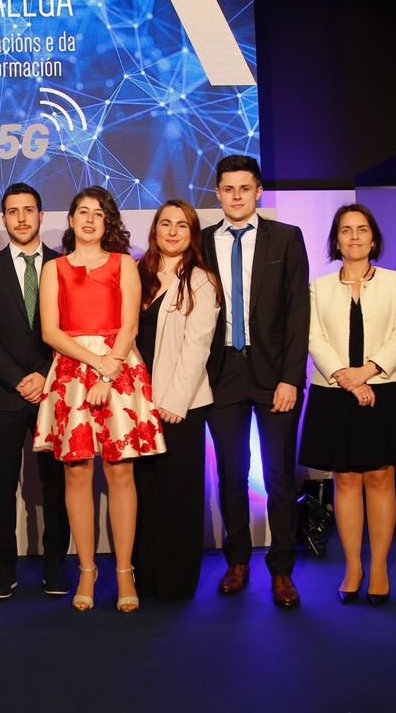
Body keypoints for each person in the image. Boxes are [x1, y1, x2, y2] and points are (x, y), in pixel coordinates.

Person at [32, 185, 166, 612]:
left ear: (108, 223)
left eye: (98, 213)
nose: (90, 219)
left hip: (120, 367)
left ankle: (125, 571)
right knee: (75, 473)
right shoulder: (53, 269)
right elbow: (50, 332)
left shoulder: (124, 263)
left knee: (120, 471)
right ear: (70, 221)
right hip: (71, 370)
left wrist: (111, 365)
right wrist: (94, 363)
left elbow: (129, 324)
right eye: (82, 212)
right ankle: (87, 571)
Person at [201, 154, 310, 608]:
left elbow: (298, 313)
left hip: (274, 376)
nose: (237, 196)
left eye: (245, 188)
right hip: (222, 371)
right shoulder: (202, 242)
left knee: (280, 475)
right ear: (219, 193)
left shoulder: (286, 238)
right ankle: (238, 560)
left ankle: (282, 570)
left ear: (259, 191)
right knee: (230, 473)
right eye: (229, 188)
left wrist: (291, 377)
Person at [299, 203, 396, 606]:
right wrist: (345, 377)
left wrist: (366, 373)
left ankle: (380, 567)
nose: (354, 236)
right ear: (336, 239)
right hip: (334, 390)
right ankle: (352, 566)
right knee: (346, 479)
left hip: (385, 388)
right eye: (346, 230)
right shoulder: (319, 287)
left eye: (362, 229)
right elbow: (314, 338)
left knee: (380, 477)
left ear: (373, 238)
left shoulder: (395, 282)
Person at [0, 182, 71, 599]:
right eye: (13, 211)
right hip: (4, 394)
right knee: (2, 485)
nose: (22, 218)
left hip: (55, 390)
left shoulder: (64, 267)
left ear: (42, 216)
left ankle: (56, 568)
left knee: (58, 484)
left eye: (29, 210)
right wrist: (18, 378)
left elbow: (71, 329)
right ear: (4, 218)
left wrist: (45, 374)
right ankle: (3, 569)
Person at [133, 200, 221, 602]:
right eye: (165, 224)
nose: (172, 231)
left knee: (180, 496)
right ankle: (145, 577)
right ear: (154, 230)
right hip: (136, 404)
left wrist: (173, 401)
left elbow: (197, 347)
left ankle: (178, 583)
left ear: (192, 233)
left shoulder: (201, 280)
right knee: (145, 495)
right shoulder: (137, 274)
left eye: (181, 225)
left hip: (179, 407)